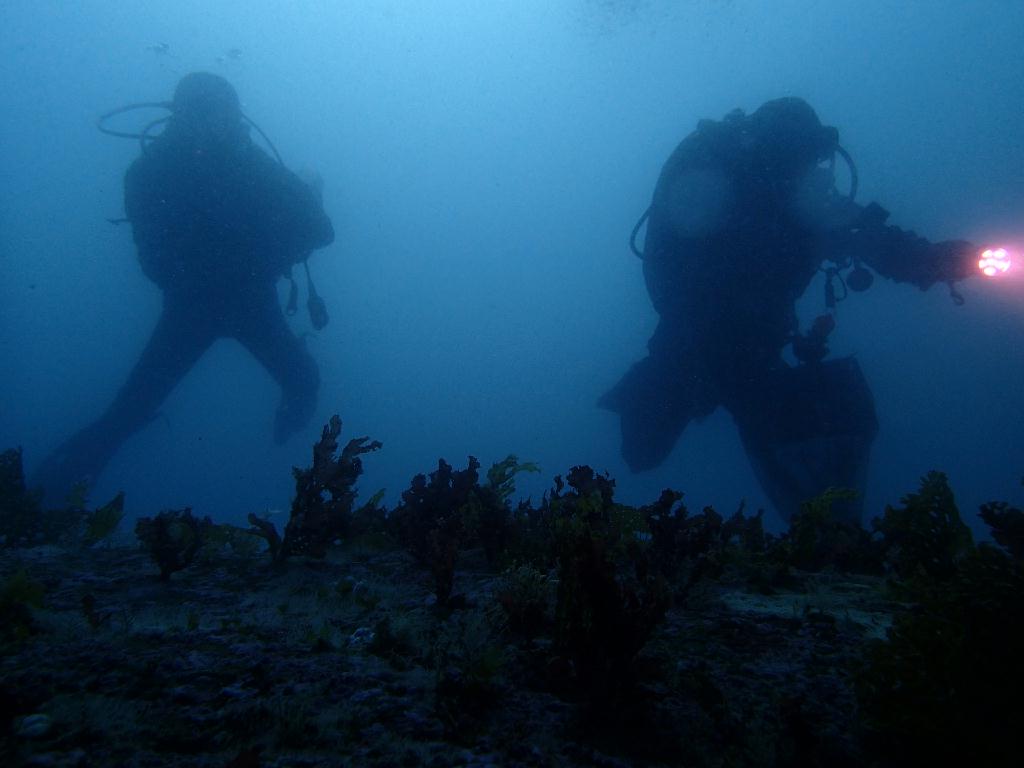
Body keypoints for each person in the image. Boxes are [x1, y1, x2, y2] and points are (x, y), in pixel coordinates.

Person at [600, 97, 977, 523]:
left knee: (656, 443)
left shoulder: (791, 197)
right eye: (810, 160)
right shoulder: (736, 184)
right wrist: (932, 261)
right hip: (697, 339)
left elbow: (869, 237)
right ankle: (825, 535)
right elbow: (860, 236)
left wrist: (939, 261)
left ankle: (826, 535)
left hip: (737, 342)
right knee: (645, 449)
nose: (815, 172)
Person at [35, 72, 334, 502]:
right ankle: (44, 498)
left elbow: (321, 231)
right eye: (213, 114)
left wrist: (307, 201)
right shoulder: (153, 171)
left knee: (304, 380)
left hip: (239, 301)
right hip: (196, 308)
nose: (222, 124)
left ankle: (288, 446)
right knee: (128, 412)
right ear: (185, 116)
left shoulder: (247, 162)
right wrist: (248, 260)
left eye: (228, 115)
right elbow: (153, 262)